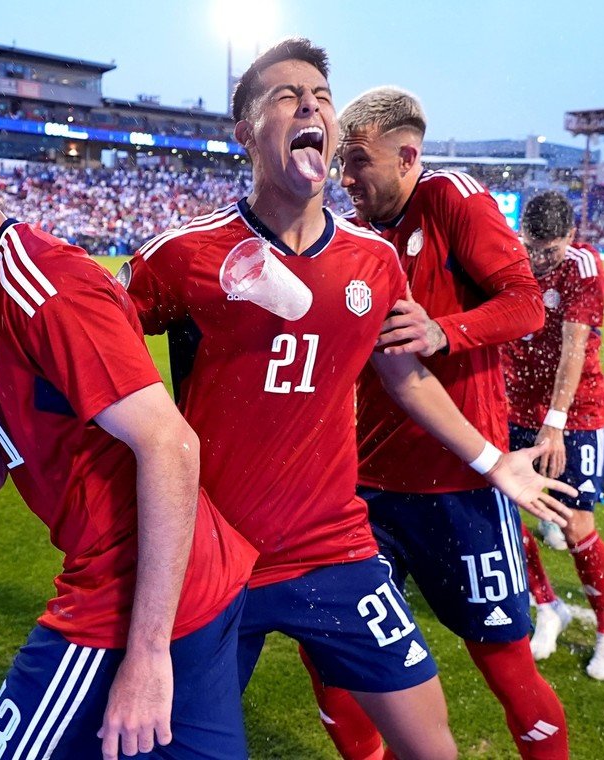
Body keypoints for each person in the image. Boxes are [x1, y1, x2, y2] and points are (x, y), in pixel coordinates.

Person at [122, 40, 574, 760]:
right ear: (244, 132)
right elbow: (90, 342)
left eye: (320, 96)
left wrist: (494, 460)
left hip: (335, 548)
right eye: (284, 95)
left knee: (434, 747)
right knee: (172, 746)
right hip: (213, 552)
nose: (309, 105)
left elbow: (405, 375)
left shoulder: (373, 259)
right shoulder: (183, 255)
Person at [0, 85, 258, 760]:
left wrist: (147, 653)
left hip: (128, 595)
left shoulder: (45, 287)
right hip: (196, 579)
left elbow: (169, 444)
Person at [306, 86, 569, 760]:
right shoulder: (356, 234)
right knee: (334, 659)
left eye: (358, 161)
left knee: (507, 669)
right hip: (363, 494)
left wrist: (442, 331)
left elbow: (528, 307)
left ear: (407, 157)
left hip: (461, 486)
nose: (347, 178)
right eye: (342, 164)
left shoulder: (452, 197)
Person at [504, 191, 604, 680]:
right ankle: (548, 606)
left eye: (548, 251)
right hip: (514, 404)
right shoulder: (514, 254)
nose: (537, 260)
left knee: (576, 526)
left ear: (571, 238)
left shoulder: (583, 267)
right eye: (532, 247)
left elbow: (573, 349)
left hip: (575, 414)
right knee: (504, 516)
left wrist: (554, 424)